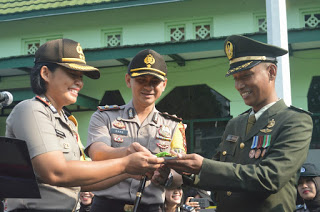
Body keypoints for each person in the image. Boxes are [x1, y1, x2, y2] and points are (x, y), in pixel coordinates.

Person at [5, 39, 165, 211]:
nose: (79, 83)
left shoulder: (66, 121)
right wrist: (125, 163)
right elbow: (55, 172)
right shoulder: (30, 110)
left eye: (80, 77)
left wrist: (129, 172)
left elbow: (80, 182)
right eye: (72, 74)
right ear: (45, 73)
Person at [165, 35, 313, 212]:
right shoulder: (236, 123)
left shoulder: (295, 121)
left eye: (246, 76)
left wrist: (203, 165)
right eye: (235, 78)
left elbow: (270, 177)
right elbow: (216, 171)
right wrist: (186, 169)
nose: (239, 85)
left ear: (272, 72)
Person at [86, 49, 186, 212]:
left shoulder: (173, 125)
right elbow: (98, 154)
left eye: (155, 81)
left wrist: (165, 177)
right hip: (107, 205)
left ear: (164, 84)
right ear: (128, 80)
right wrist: (128, 155)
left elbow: (180, 173)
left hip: (150, 207)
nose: (148, 87)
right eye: (141, 80)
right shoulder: (105, 117)